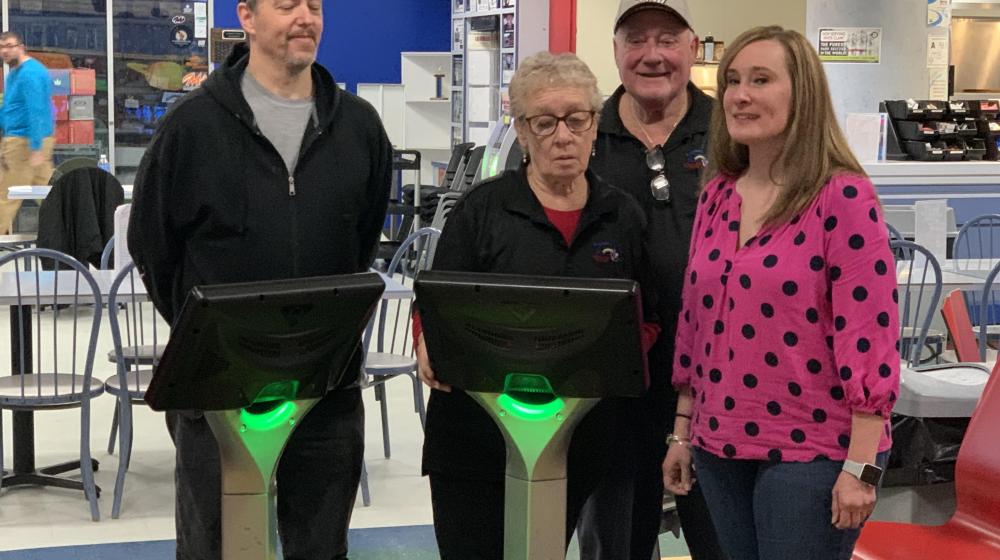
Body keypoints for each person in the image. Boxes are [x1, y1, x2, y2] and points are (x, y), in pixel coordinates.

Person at [127, 0, 392, 557]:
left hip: (327, 384)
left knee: (321, 546)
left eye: (314, 6)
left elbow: (362, 238)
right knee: (216, 545)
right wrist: (208, 332)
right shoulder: (192, 127)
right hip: (218, 386)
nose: (306, 18)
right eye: (287, 5)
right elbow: (154, 246)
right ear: (246, 17)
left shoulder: (359, 127)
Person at [663, 26, 901, 560]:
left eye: (761, 80)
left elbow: (870, 339)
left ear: (803, 94)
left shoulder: (841, 195)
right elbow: (695, 327)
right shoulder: (719, 192)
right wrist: (682, 432)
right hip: (720, 440)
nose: (740, 95)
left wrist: (861, 470)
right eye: (733, 81)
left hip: (814, 450)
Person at [416, 51, 659, 559]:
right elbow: (434, 304)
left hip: (577, 437)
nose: (563, 136)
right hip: (474, 440)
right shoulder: (481, 211)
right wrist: (425, 342)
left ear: (595, 125)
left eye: (577, 119)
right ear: (522, 132)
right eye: (544, 122)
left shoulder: (622, 215)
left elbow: (647, 317)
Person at [585, 1, 726, 558]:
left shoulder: (732, 130)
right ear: (616, 51)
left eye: (667, 38)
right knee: (617, 540)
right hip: (613, 382)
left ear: (693, 47)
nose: (652, 55)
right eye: (635, 39)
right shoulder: (583, 134)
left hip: (721, 379)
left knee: (722, 538)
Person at [0, 31, 55, 234]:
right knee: (49, 194)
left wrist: (36, 147)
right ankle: (70, 231)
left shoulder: (30, 74)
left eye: (9, 45)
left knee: (6, 195)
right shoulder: (15, 73)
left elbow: (37, 110)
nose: (4, 51)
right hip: (21, 140)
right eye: (1, 47)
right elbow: (10, 107)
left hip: (24, 143)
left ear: (21, 47)